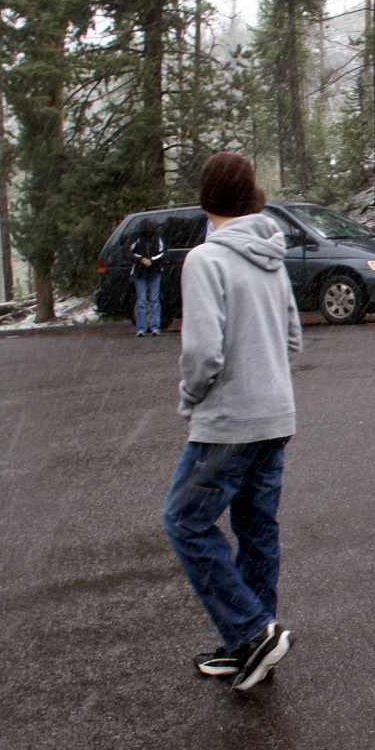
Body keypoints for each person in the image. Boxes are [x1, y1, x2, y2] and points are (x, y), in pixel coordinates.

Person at [161, 152, 302, 691]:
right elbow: (292, 340)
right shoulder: (272, 256)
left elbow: (203, 353)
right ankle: (250, 645)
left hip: (229, 420)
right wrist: (264, 375)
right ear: (251, 196)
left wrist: (190, 397)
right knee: (256, 528)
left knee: (185, 522)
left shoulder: (205, 259)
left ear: (206, 198)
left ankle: (250, 630)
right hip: (275, 415)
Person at [129, 223, 166, 336]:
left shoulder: (157, 238)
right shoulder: (137, 238)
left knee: (150, 300)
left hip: (153, 270)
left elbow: (163, 252)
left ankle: (153, 327)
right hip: (141, 272)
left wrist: (151, 260)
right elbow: (129, 252)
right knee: (144, 300)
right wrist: (141, 260)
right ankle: (143, 328)